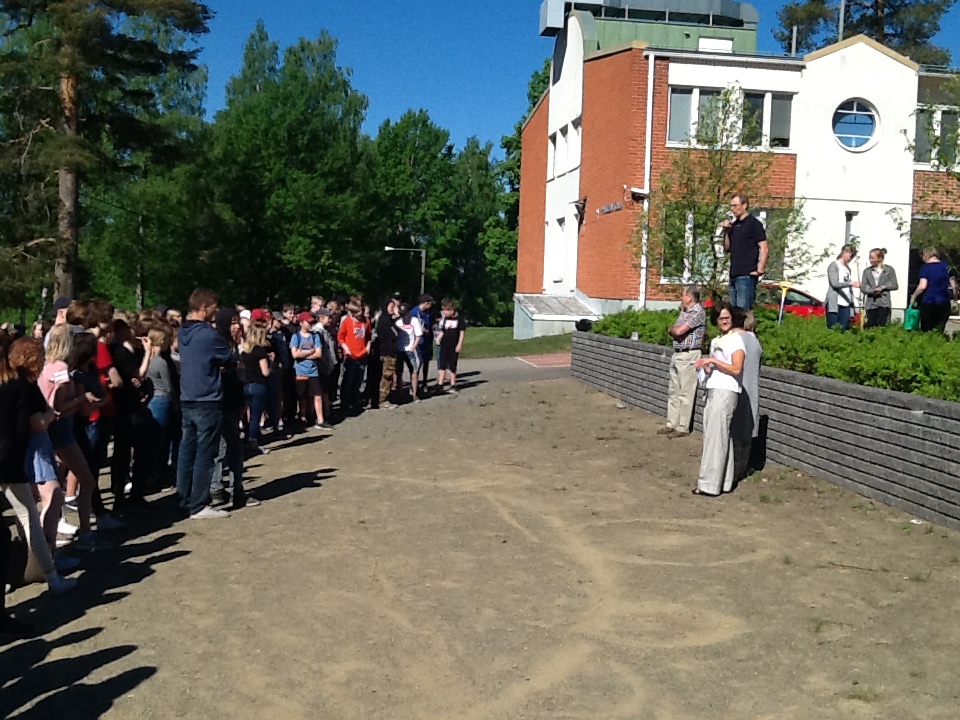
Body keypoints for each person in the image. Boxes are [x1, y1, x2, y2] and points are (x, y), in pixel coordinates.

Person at [1, 336, 77, 593]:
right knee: (29, 519)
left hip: (8, 459)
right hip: (10, 461)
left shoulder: (8, 384)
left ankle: (9, 578)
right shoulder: (24, 387)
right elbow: (34, 424)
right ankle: (52, 578)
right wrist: (50, 414)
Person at [38, 325, 108, 550]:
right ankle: (85, 533)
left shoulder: (46, 366)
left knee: (56, 485)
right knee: (87, 481)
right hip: (62, 433)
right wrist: (81, 398)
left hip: (55, 433)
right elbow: (58, 406)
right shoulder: (61, 369)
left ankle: (61, 529)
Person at [177, 289, 233, 520]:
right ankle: (198, 504)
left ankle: (183, 498)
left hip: (187, 397)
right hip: (207, 398)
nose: (215, 311)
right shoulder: (209, 335)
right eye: (214, 307)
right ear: (204, 308)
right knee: (205, 453)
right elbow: (229, 357)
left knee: (187, 450)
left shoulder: (182, 331)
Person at [693, 302, 745, 497]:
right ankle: (724, 482)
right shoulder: (717, 340)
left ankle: (709, 485)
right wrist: (707, 367)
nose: (724, 321)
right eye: (721, 318)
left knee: (716, 439)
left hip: (725, 392)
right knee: (719, 436)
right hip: (713, 389)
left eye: (727, 318)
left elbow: (737, 368)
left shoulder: (736, 340)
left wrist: (713, 360)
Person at [659, 285, 706, 438]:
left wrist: (673, 330)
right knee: (674, 391)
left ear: (689, 298)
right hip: (678, 353)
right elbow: (675, 330)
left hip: (689, 354)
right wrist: (673, 330)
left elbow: (678, 331)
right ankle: (671, 423)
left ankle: (683, 427)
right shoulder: (684, 312)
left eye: (683, 295)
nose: (681, 298)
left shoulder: (698, 312)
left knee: (686, 391)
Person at [731, 310, 762, 482]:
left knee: (735, 431)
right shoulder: (755, 341)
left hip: (739, 388)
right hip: (752, 389)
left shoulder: (738, 339)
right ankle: (741, 468)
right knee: (746, 432)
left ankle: (733, 470)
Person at [721, 193, 768, 309]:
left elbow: (764, 247)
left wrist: (760, 269)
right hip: (733, 274)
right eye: (731, 206)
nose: (732, 209)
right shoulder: (734, 226)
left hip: (746, 275)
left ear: (744, 205)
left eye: (735, 205)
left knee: (743, 312)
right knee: (733, 312)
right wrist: (726, 231)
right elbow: (727, 248)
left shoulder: (754, 224)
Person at [290, 311, 330, 429]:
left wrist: (303, 354)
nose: (310, 324)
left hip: (313, 370)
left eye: (312, 322)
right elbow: (294, 354)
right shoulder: (296, 337)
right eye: (308, 322)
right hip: (300, 371)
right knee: (302, 396)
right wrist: (310, 352)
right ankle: (303, 417)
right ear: (302, 323)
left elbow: (318, 354)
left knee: (317, 394)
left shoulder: (315, 336)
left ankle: (320, 419)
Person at [910, 247, 957, 334]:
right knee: (939, 329)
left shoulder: (925, 268)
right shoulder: (946, 267)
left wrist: (914, 296)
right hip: (944, 302)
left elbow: (922, 286)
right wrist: (955, 299)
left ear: (926, 255)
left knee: (927, 329)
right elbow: (954, 286)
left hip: (929, 301)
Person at [242, 321, 272, 454]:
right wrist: (271, 367)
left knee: (246, 414)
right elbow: (265, 372)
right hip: (258, 385)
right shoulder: (260, 350)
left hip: (246, 384)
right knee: (255, 416)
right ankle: (253, 441)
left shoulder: (245, 351)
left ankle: (247, 438)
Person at [337, 300, 372, 413]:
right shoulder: (347, 322)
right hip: (350, 356)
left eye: (360, 310)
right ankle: (345, 403)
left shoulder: (366, 322)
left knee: (358, 380)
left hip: (362, 354)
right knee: (348, 380)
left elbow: (369, 336)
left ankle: (355, 401)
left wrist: (368, 346)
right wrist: (345, 348)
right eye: (357, 312)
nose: (360, 313)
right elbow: (340, 337)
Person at [861, 248, 899, 328]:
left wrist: (883, 287)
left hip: (884, 302)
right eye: (870, 258)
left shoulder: (889, 270)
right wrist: (872, 291)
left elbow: (894, 284)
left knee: (883, 325)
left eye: (873, 258)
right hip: (871, 303)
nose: (870, 260)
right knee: (871, 325)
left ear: (880, 258)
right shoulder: (867, 271)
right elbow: (863, 287)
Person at [826, 244, 860, 331]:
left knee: (843, 329)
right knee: (833, 328)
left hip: (846, 303)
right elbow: (834, 283)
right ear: (844, 252)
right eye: (850, 256)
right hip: (835, 302)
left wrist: (852, 302)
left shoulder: (847, 268)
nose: (851, 259)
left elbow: (849, 288)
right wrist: (851, 283)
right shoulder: (834, 265)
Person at [435, 300, 466, 394]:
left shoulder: (459, 319)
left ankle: (453, 384)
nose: (444, 312)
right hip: (444, 344)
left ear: (452, 310)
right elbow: (443, 330)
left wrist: (459, 344)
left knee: (452, 365)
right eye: (443, 310)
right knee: (442, 365)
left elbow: (462, 332)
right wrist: (438, 338)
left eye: (446, 310)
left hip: (454, 345)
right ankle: (440, 384)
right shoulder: (445, 319)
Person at [396, 303, 424, 403]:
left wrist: (413, 347)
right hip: (400, 350)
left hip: (410, 349)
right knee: (399, 372)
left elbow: (418, 335)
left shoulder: (414, 321)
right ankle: (400, 394)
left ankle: (414, 394)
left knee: (414, 371)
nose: (404, 316)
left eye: (405, 313)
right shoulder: (398, 322)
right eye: (402, 314)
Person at [375, 298, 400, 409]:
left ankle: (381, 398)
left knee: (386, 376)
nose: (393, 309)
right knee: (387, 376)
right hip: (387, 352)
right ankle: (383, 400)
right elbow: (394, 334)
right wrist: (397, 316)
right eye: (391, 307)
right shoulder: (385, 321)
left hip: (387, 351)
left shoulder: (388, 320)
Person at [410, 294, 434, 395]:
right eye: (430, 304)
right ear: (425, 303)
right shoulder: (415, 312)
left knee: (426, 361)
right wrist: (422, 330)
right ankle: (415, 385)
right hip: (419, 341)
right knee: (417, 363)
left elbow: (430, 324)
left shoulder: (428, 313)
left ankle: (424, 382)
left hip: (427, 340)